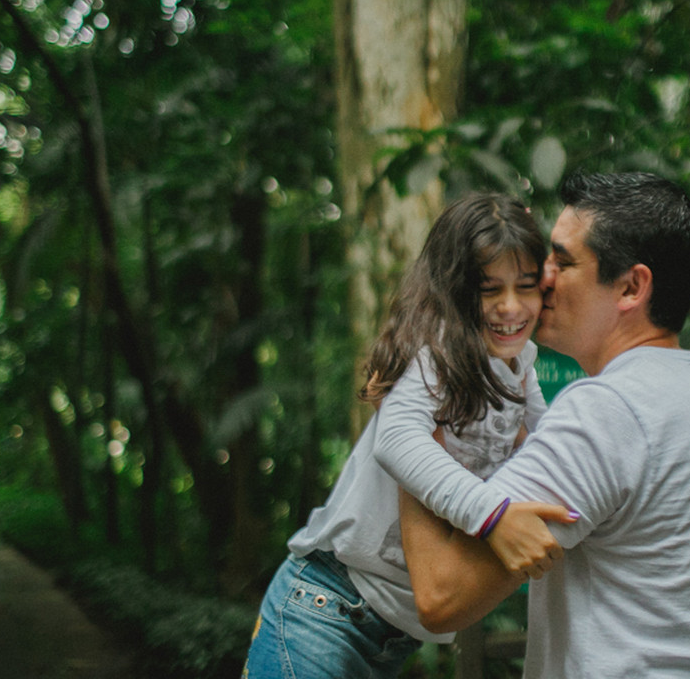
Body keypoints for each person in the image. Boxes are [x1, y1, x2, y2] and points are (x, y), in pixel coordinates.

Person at [400, 172, 690, 678]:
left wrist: (413, 424)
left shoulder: (610, 411)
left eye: (563, 260)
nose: (540, 276)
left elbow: (442, 595)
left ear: (631, 286)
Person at [242, 192, 574, 679]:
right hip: (323, 609)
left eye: (526, 287)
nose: (510, 307)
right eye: (488, 290)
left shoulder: (519, 365)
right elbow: (396, 440)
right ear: (455, 290)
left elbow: (547, 444)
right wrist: (492, 515)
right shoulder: (435, 351)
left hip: (388, 639)